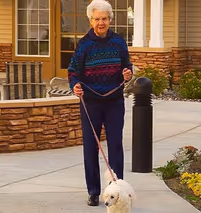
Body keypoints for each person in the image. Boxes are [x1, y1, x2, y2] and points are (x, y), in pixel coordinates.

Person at [67, 0, 133, 207]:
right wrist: (76, 85)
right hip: (91, 103)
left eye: (104, 19)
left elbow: (127, 65)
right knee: (90, 148)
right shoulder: (84, 43)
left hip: (114, 102)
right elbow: (72, 71)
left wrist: (127, 73)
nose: (101, 22)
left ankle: (118, 191)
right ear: (91, 20)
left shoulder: (119, 41)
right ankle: (94, 192)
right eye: (97, 19)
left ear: (110, 19)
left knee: (115, 147)